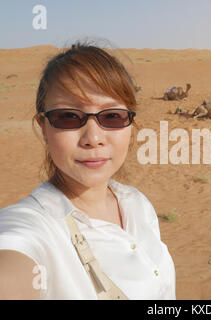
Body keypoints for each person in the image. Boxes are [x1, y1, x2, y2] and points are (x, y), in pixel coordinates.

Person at [0, 41, 176, 300]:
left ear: (131, 124)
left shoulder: (138, 205)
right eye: (68, 117)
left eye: (112, 116)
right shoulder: (36, 227)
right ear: (44, 128)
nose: (93, 138)